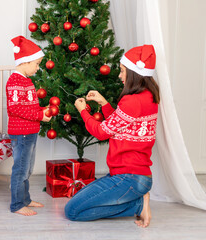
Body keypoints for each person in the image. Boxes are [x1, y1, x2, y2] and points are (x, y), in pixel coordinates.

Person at [64, 45, 160, 228]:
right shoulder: (148, 96)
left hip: (128, 177)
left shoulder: (132, 100)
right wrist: (104, 103)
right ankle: (137, 201)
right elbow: (121, 125)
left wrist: (83, 111)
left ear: (134, 73)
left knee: (72, 212)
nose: (119, 76)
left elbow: (101, 131)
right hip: (136, 175)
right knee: (78, 201)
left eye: (122, 71)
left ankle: (137, 205)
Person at [7, 36, 51, 216]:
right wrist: (40, 115)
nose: (38, 68)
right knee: (21, 169)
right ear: (25, 62)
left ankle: (25, 199)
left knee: (28, 168)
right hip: (22, 133)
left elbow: (28, 107)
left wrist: (42, 109)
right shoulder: (15, 81)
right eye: (37, 64)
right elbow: (16, 108)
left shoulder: (26, 81)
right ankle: (17, 204)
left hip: (30, 132)